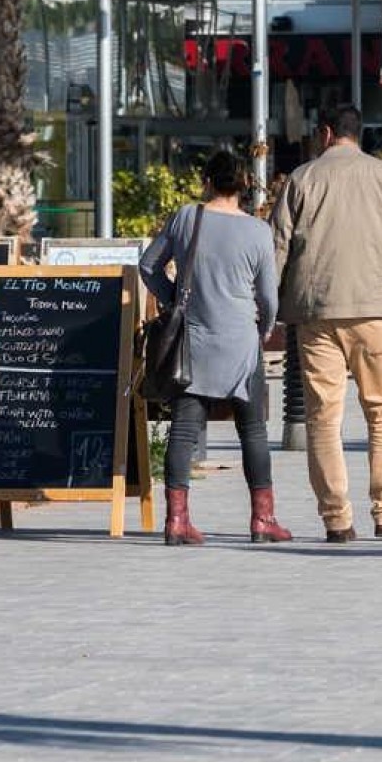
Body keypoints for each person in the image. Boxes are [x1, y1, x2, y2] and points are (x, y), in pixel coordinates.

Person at [270, 102, 382, 543]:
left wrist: (270, 306)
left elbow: (277, 249)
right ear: (357, 134)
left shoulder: (302, 179)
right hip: (377, 310)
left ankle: (337, 520)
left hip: (317, 313)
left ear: (325, 133)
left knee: (323, 417)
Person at [139, 148, 291, 547]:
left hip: (195, 343)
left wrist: (173, 300)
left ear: (207, 180)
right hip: (241, 344)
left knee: (184, 429)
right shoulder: (258, 232)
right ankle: (263, 520)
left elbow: (148, 265)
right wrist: (265, 329)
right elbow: (269, 298)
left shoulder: (188, 218)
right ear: (243, 186)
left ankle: (177, 520)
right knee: (253, 431)